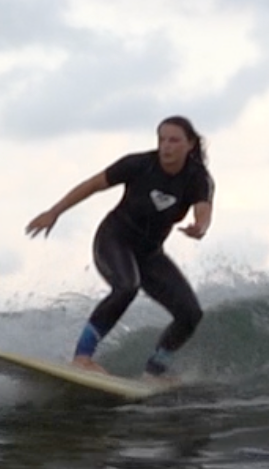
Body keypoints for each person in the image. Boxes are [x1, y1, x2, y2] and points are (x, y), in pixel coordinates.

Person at [27, 116, 215, 379]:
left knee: (190, 314)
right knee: (127, 286)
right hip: (114, 239)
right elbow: (92, 185)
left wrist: (200, 227)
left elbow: (203, 212)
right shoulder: (138, 165)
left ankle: (154, 372)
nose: (166, 147)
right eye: (162, 140)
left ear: (190, 144)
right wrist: (54, 212)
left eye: (174, 140)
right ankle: (82, 358)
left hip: (149, 254)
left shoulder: (198, 178)